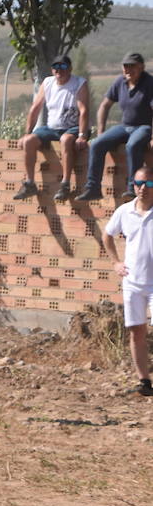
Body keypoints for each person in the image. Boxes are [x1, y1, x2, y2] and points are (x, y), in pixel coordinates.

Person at [101, 166, 153, 397]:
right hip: (133, 281)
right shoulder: (124, 211)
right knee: (136, 330)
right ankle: (144, 381)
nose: (143, 189)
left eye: (149, 184)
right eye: (139, 184)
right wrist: (115, 263)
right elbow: (107, 235)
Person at [75, 53, 153, 203]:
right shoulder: (120, 82)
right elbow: (104, 106)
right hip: (125, 127)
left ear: (141, 67)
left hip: (144, 127)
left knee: (133, 145)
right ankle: (93, 188)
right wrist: (101, 131)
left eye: (132, 66)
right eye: (125, 66)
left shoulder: (149, 83)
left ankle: (132, 188)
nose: (128, 69)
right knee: (97, 143)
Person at [14, 54, 89, 201]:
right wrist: (26, 133)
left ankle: (65, 184)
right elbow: (35, 108)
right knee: (29, 141)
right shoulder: (48, 82)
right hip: (51, 128)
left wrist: (82, 135)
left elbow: (84, 110)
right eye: (55, 67)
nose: (58, 70)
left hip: (72, 127)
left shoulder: (79, 83)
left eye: (63, 66)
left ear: (70, 68)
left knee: (66, 140)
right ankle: (30, 183)